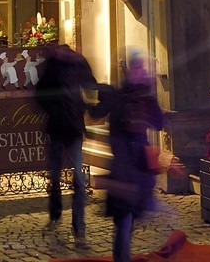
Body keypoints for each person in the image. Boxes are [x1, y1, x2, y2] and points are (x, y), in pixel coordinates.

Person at [95, 51, 165, 262]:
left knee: (133, 213)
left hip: (140, 161)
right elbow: (112, 129)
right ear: (129, 71)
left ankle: (123, 253)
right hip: (124, 161)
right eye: (137, 68)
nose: (140, 72)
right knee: (123, 216)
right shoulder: (120, 96)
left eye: (142, 68)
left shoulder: (144, 96)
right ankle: (121, 258)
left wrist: (150, 99)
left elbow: (158, 123)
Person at [35, 42, 97, 241]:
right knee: (56, 176)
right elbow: (40, 93)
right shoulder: (53, 66)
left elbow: (90, 85)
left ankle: (78, 226)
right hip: (59, 127)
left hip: (72, 127)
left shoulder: (77, 63)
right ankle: (57, 215)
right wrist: (54, 108)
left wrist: (85, 105)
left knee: (77, 178)